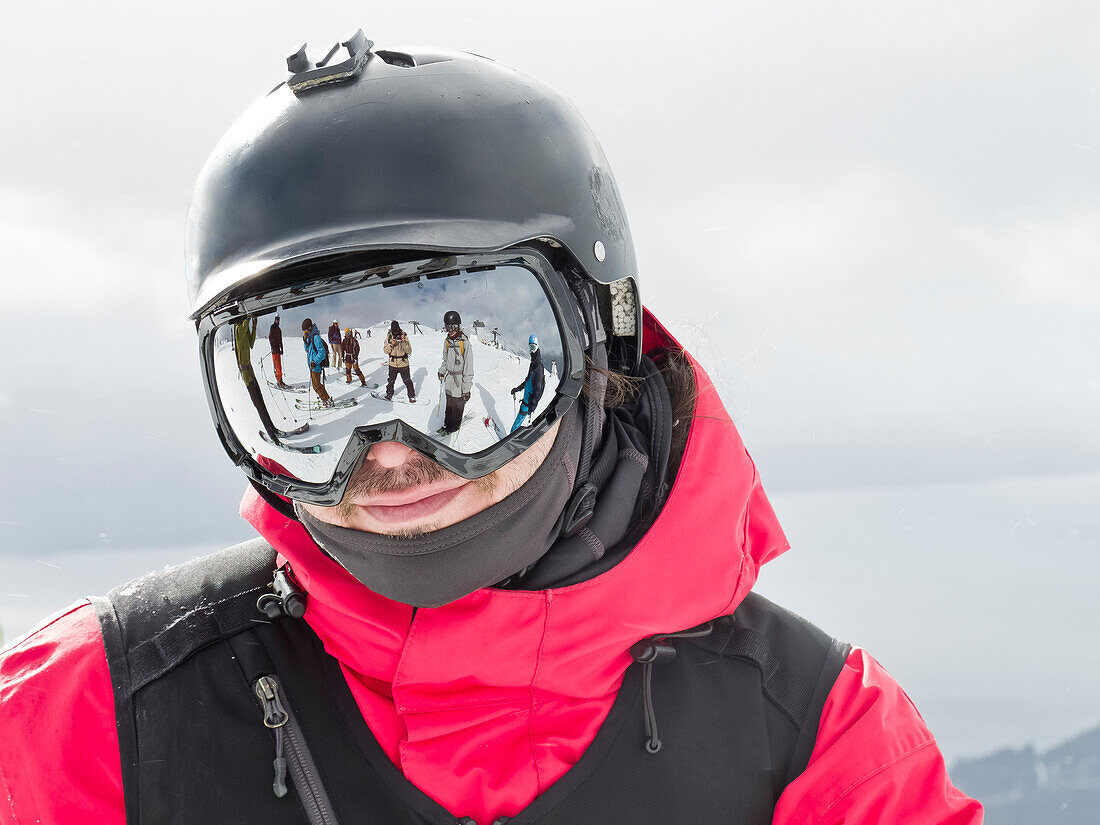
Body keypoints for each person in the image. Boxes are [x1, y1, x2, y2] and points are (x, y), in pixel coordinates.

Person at [0, 32, 981, 825]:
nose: (384, 452)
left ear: (598, 339)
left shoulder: (811, 744)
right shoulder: (94, 719)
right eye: (309, 389)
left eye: (457, 369)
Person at [233, 315, 285, 443]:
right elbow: (242, 335)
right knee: (258, 403)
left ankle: (272, 428)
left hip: (249, 369)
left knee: (261, 400)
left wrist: (254, 325)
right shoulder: (238, 329)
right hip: (245, 372)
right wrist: (249, 318)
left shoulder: (243, 329)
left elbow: (250, 343)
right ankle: (271, 434)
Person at [437, 309, 474, 433]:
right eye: (448, 328)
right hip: (449, 381)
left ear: (458, 326)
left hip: (459, 382)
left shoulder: (465, 343)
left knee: (457, 407)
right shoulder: (447, 342)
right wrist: (442, 371)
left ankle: (454, 427)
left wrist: (466, 389)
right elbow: (445, 360)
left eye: (453, 327)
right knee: (449, 406)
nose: (450, 331)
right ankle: (446, 425)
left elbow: (468, 368)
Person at [510, 333, 546, 432]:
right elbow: (528, 380)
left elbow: (538, 388)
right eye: (530, 347)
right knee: (519, 421)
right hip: (526, 400)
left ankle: (509, 439)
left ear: (537, 347)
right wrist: (518, 388)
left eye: (533, 347)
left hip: (528, 403)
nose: (531, 350)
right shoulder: (533, 363)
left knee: (517, 423)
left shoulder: (538, 367)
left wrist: (533, 405)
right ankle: (511, 437)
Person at [302, 317, 333, 408]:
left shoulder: (316, 338)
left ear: (310, 328)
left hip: (316, 365)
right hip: (312, 365)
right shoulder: (310, 338)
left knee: (316, 386)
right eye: (304, 332)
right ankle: (325, 398)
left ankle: (326, 400)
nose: (305, 333)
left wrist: (315, 362)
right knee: (316, 385)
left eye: (305, 331)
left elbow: (322, 352)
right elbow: (307, 350)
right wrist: (305, 341)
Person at [383, 320, 416, 402]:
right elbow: (386, 351)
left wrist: (403, 342)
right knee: (391, 381)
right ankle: (389, 394)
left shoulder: (404, 336)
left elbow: (409, 351)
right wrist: (391, 344)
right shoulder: (389, 337)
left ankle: (411, 396)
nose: (396, 333)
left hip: (403, 363)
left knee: (407, 381)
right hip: (393, 363)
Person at [268, 314, 288, 389]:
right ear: (274, 319)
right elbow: (270, 337)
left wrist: (281, 348)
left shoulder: (279, 329)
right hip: (274, 350)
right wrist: (273, 346)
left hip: (278, 350)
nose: (277, 321)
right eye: (276, 319)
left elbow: (280, 339)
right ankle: (279, 381)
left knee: (279, 366)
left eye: (278, 319)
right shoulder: (272, 327)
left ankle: (281, 380)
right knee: (277, 366)